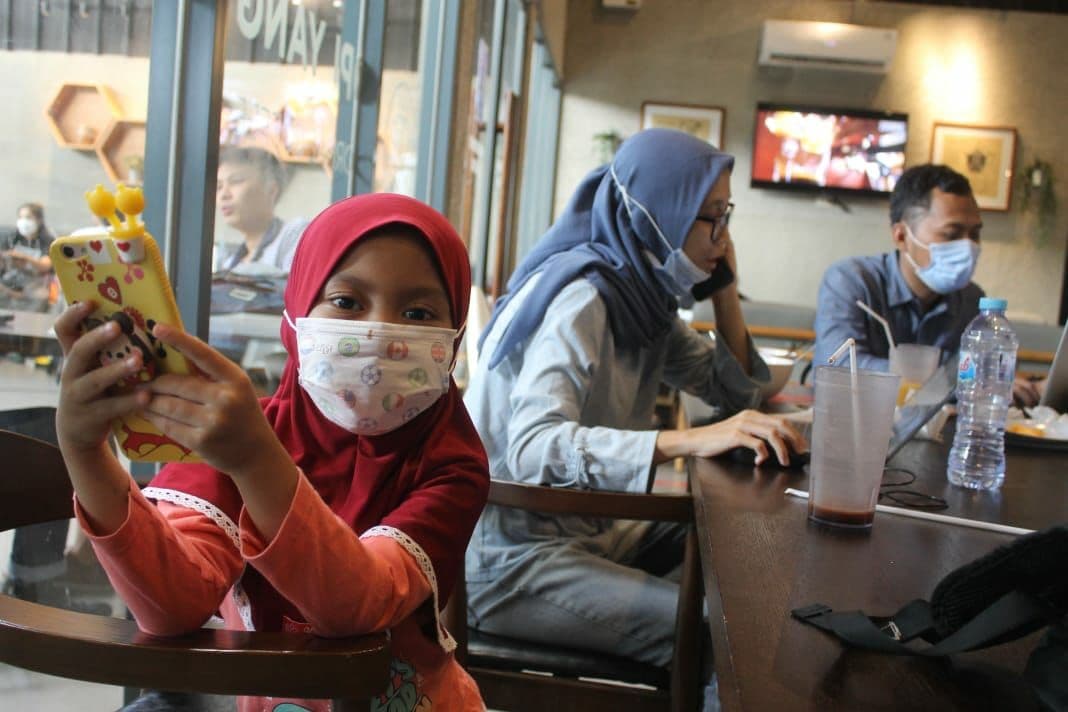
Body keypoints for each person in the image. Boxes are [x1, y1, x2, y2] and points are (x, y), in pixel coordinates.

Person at [54, 193, 490, 711]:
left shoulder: (451, 463)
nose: (376, 333)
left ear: (455, 334)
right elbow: (171, 605)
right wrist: (86, 454)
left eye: (418, 312)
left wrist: (256, 463)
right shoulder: (244, 431)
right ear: (298, 311)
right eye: (347, 302)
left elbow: (356, 607)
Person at [462, 129, 805, 697]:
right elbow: (532, 447)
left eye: (728, 218)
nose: (723, 236)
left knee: (742, 572)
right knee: (727, 632)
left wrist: (725, 290)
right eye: (710, 219)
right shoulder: (584, 298)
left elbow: (736, 393)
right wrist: (684, 442)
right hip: (513, 564)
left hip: (584, 529)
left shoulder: (640, 297)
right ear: (659, 216)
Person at [813, 163, 1043, 406]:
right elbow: (838, 370)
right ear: (901, 236)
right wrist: (962, 379)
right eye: (952, 234)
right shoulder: (852, 282)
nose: (969, 247)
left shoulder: (971, 300)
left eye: (974, 234)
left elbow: (989, 374)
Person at [213, 146, 308, 275]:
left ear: (271, 190)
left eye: (236, 181)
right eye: (219, 186)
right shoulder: (229, 263)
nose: (223, 194)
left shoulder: (295, 235)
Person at [1, 202, 56, 312]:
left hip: (34, 294)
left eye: (28, 217)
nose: (23, 221)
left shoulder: (47, 241)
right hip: (9, 289)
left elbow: (45, 265)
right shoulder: (11, 238)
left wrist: (25, 258)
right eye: (21, 217)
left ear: (39, 220)